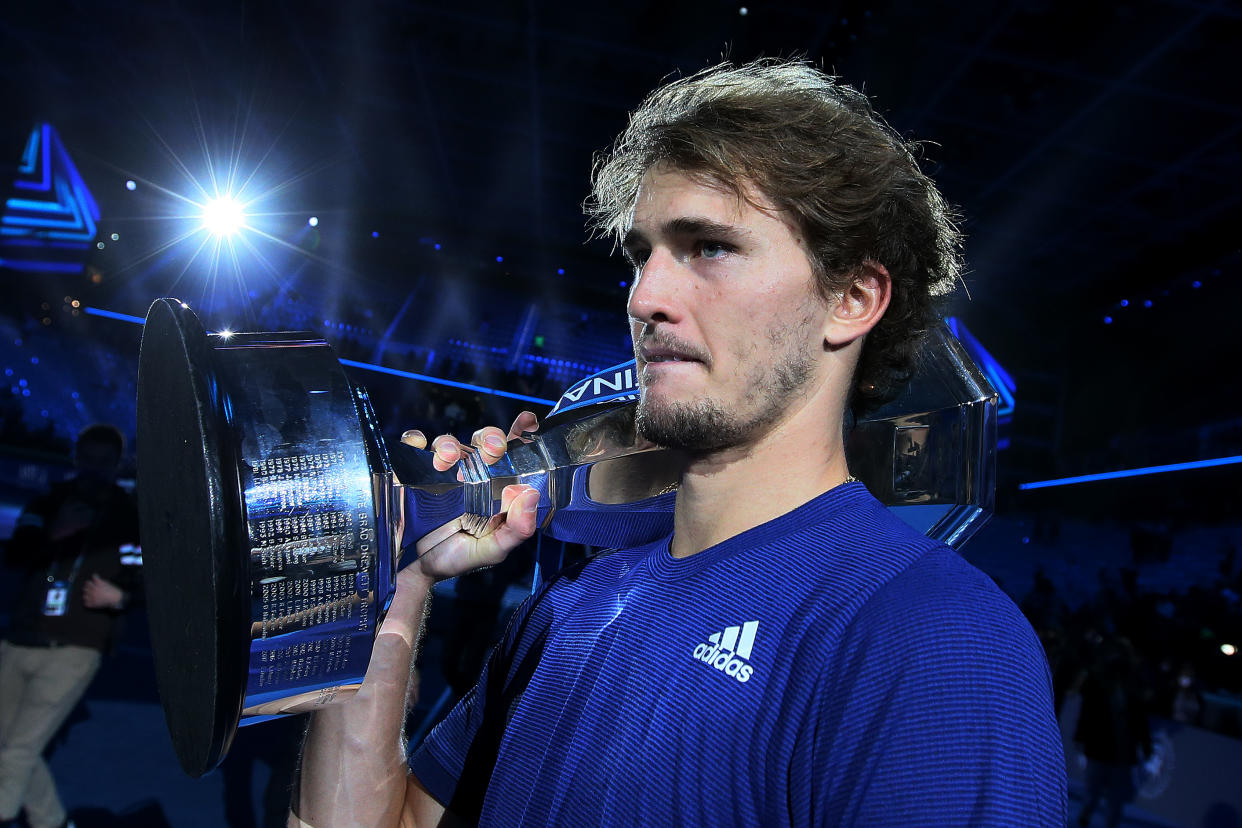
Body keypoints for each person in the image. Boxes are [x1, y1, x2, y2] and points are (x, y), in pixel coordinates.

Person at [293, 60, 1067, 826]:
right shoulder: (576, 603)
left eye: (710, 247)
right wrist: (397, 587)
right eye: (643, 255)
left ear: (851, 298)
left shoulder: (938, 644)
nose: (644, 298)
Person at [0, 424, 140, 828]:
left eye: (105, 462)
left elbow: (146, 581)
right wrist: (54, 532)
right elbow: (14, 556)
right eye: (88, 459)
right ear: (75, 458)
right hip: (21, 638)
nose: (95, 469)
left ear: (117, 464)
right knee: (12, 748)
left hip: (77, 647)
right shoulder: (47, 502)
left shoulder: (127, 518)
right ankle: (53, 822)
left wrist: (121, 598)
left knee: (17, 751)